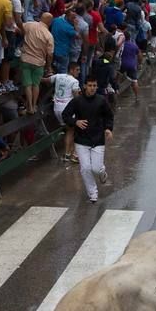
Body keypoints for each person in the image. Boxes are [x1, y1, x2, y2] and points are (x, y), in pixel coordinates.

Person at [62, 75, 114, 203]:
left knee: (96, 168)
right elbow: (65, 115)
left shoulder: (101, 100)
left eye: (94, 86)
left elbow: (109, 115)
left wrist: (108, 129)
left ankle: (102, 173)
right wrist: (75, 122)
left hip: (98, 139)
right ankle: (93, 193)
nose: (92, 88)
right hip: (81, 140)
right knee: (85, 168)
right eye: (90, 85)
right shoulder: (77, 101)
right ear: (84, 86)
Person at [42, 62, 80, 163]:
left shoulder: (58, 76)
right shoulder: (74, 81)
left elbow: (46, 80)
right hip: (67, 109)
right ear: (71, 70)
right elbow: (76, 97)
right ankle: (71, 155)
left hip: (57, 108)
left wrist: (37, 78)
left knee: (69, 130)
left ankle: (69, 154)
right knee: (73, 130)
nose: (79, 72)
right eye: (77, 70)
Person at [20, 13, 54, 114]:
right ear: (50, 22)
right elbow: (50, 54)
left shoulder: (30, 25)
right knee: (36, 84)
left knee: (27, 85)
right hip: (39, 62)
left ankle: (29, 106)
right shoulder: (49, 35)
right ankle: (34, 106)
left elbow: (19, 27)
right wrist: (49, 67)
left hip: (26, 59)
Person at [120, 31, 142, 101]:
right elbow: (140, 56)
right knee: (134, 81)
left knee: (117, 77)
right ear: (130, 37)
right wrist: (140, 64)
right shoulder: (134, 45)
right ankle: (137, 97)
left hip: (122, 64)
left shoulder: (121, 45)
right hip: (132, 65)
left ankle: (115, 90)